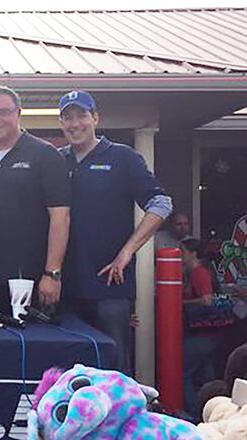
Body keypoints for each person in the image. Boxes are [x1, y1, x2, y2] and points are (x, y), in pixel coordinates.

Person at [58, 90, 172, 374]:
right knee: (69, 366)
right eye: (67, 118)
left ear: (95, 118)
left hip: (110, 285)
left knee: (115, 365)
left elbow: (161, 202)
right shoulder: (56, 161)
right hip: (63, 286)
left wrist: (128, 250)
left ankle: (124, 418)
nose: (75, 124)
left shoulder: (123, 157)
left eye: (81, 115)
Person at [0, 85, 70, 316]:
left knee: (31, 349)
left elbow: (61, 218)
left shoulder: (45, 155)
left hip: (31, 281)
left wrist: (52, 274)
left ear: (18, 113)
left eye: (4, 112)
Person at [180, 238, 219, 417]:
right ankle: (214, 411)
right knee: (206, 377)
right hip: (207, 335)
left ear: (193, 253)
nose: (180, 256)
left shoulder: (199, 272)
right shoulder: (194, 272)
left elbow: (207, 300)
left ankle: (195, 412)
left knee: (183, 373)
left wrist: (182, 302)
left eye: (183, 252)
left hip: (201, 334)